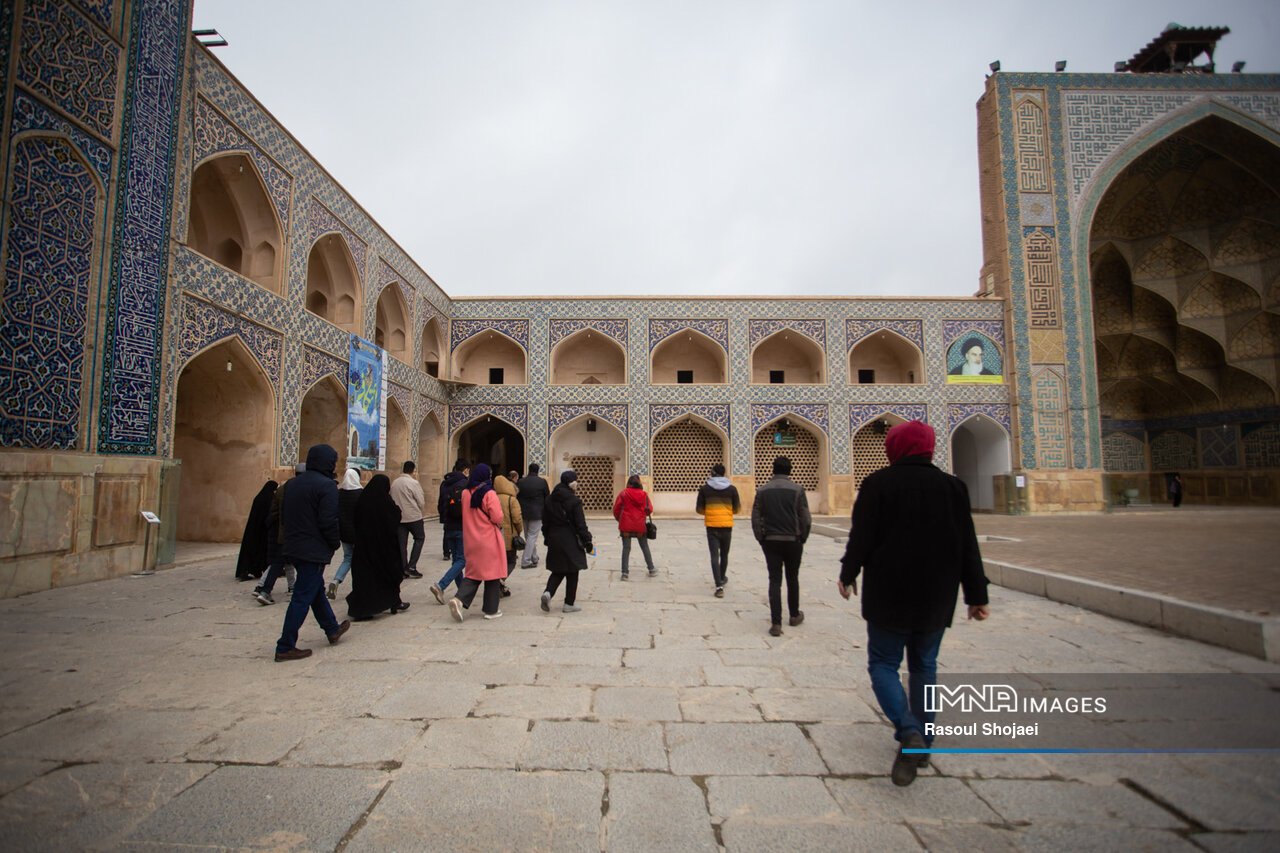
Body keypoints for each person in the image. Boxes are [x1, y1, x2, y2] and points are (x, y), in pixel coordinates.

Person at [838, 420, 990, 787]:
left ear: (894, 447)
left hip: (889, 592)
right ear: (930, 448)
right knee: (925, 666)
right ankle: (923, 743)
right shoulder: (954, 487)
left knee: (884, 664)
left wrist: (848, 572)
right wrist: (977, 595)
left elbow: (862, 535)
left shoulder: (878, 484)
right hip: (937, 595)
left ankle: (908, 732)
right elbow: (968, 543)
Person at [274, 444, 350, 661]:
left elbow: (285, 515)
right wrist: (334, 542)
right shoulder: (326, 486)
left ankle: (331, 628)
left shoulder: (292, 485)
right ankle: (285, 645)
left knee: (315, 588)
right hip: (312, 548)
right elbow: (328, 520)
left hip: (293, 546)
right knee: (301, 597)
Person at [751, 456, 811, 636]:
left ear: (773, 470)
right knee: (792, 578)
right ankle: (794, 615)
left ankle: (776, 623)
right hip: (793, 540)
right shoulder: (798, 490)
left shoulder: (762, 491)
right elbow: (806, 518)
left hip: (771, 540)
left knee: (774, 580)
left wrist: (761, 538)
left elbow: (755, 518)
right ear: (790, 470)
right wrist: (802, 538)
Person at [345, 473, 409, 619]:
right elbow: (394, 518)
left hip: (364, 548)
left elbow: (355, 520)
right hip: (384, 548)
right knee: (388, 574)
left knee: (365, 577)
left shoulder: (362, 500)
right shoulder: (385, 502)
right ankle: (393, 601)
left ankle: (363, 608)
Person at [448, 463, 507, 621]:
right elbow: (497, 517)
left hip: (471, 538)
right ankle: (491, 609)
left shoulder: (466, 493)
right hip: (488, 538)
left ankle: (459, 599)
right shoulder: (489, 493)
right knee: (492, 574)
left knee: (474, 573)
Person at [540, 470, 593, 613]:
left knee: (558, 569)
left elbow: (544, 522)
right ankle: (569, 603)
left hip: (553, 537)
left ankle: (548, 593)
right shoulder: (574, 501)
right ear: (572, 483)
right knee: (573, 569)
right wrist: (588, 540)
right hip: (570, 538)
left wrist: (547, 538)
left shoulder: (550, 499)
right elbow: (580, 525)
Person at [254, 464, 303, 605]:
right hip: (299, 534)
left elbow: (273, 512)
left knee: (278, 563)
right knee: (307, 564)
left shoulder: (282, 489)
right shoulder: (305, 488)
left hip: (283, 534)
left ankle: (264, 590)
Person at [696, 463, 740, 597]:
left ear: (713, 473)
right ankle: (722, 576)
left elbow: (699, 510)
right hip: (727, 526)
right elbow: (737, 510)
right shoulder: (732, 489)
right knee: (724, 555)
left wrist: (711, 511)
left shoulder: (705, 489)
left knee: (714, 556)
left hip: (712, 526)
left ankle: (719, 585)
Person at [430, 459, 470, 604]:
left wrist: (445, 519)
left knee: (456, 560)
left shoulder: (444, 483)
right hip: (461, 526)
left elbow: (441, 504)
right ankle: (441, 585)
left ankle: (462, 593)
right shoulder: (465, 484)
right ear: (465, 469)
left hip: (448, 526)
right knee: (462, 560)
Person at [327, 469, 362, 599]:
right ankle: (357, 587)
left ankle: (336, 580)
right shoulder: (361, 494)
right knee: (359, 561)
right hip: (358, 534)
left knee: (347, 558)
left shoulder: (339, 494)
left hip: (344, 533)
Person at [612, 474, 655, 580]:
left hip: (626, 525)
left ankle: (625, 573)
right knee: (644, 546)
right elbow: (649, 509)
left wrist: (620, 519)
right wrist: (641, 515)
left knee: (626, 548)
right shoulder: (644, 495)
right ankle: (651, 569)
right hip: (640, 525)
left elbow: (616, 509)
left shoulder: (624, 493)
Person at [235, 480, 277, 581]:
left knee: (252, 550)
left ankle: (250, 570)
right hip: (263, 531)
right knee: (262, 550)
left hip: (254, 530)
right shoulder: (269, 499)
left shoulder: (259, 498)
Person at [390, 460, 426, 579]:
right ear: (412, 470)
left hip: (399, 518)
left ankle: (403, 567)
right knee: (419, 538)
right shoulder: (413, 483)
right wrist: (420, 509)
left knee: (402, 544)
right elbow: (420, 501)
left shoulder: (395, 483)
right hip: (413, 516)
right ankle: (411, 566)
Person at [493, 472, 524, 593]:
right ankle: (501, 580)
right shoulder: (512, 499)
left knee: (498, 562)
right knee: (511, 561)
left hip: (494, 536)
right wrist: (519, 530)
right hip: (509, 536)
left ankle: (500, 586)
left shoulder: (491, 497)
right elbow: (517, 519)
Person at [516, 462, 550, 569]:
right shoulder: (542, 482)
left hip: (524, 512)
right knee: (532, 537)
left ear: (529, 470)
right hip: (537, 513)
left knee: (528, 536)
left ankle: (534, 557)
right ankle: (526, 561)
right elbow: (547, 497)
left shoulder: (521, 482)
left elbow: (517, 495)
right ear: (538, 471)